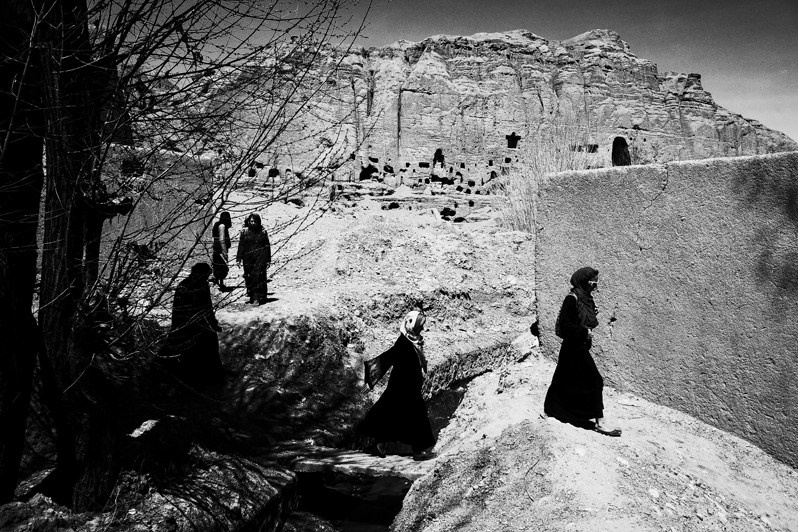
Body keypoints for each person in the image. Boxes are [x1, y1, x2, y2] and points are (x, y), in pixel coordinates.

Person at [544, 267, 622, 437]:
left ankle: (552, 409)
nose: (595, 287)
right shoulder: (571, 299)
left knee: (564, 380)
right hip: (573, 348)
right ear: (584, 282)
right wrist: (584, 332)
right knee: (595, 380)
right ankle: (600, 423)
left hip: (580, 346)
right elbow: (565, 326)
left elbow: (585, 321)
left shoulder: (586, 299)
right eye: (593, 283)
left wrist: (590, 316)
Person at [358, 310, 436, 461]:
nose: (422, 329)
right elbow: (386, 359)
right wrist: (371, 380)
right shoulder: (403, 344)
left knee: (394, 414)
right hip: (401, 386)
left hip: (410, 387)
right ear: (411, 325)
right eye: (420, 325)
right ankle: (417, 451)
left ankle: (381, 444)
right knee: (411, 415)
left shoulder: (414, 341)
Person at [160, 263, 224, 389]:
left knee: (207, 345)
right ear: (201, 274)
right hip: (189, 323)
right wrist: (208, 323)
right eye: (207, 275)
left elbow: (206, 307)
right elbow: (200, 307)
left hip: (193, 323)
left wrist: (212, 323)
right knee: (193, 349)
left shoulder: (192, 284)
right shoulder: (190, 287)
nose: (208, 278)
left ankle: (210, 374)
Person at [236, 213, 271, 304]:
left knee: (259, 277)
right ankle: (252, 295)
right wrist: (238, 259)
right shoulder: (245, 232)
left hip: (260, 258)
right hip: (248, 259)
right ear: (248, 222)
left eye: (255, 221)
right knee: (249, 277)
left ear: (258, 222)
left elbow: (267, 246)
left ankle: (258, 297)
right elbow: (241, 246)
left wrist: (268, 260)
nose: (253, 223)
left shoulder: (263, 232)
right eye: (251, 221)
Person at [212, 211, 234, 292]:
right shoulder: (222, 226)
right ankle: (220, 284)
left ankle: (218, 282)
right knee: (222, 267)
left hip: (216, 249)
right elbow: (222, 240)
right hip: (220, 250)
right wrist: (224, 252)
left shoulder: (217, 224)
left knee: (218, 266)